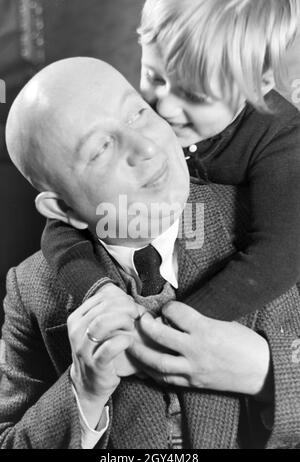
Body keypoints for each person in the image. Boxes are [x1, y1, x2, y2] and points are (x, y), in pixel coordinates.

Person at [1, 57, 300, 449]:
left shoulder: (278, 224)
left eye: (138, 113)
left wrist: (264, 372)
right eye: (102, 148)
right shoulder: (30, 290)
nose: (146, 147)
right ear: (62, 210)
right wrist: (82, 393)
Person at [41, 0, 300, 323]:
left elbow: (279, 258)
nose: (165, 108)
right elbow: (66, 217)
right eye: (156, 77)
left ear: (259, 84)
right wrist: (97, 290)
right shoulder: (138, 120)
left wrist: (167, 328)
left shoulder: (283, 138)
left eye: (195, 96)